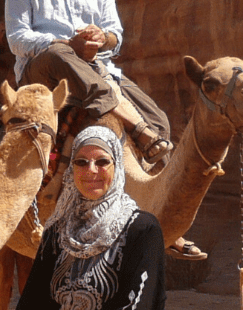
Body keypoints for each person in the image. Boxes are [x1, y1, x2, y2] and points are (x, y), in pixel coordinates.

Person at [2, 0, 172, 161]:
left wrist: (101, 38)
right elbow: (17, 39)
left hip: (96, 67)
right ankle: (135, 126)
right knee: (59, 55)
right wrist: (69, 45)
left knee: (159, 120)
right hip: (43, 71)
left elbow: (116, 36)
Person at [16, 126, 166, 310]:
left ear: (117, 166)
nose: (91, 170)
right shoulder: (57, 231)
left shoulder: (142, 229)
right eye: (81, 162)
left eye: (102, 162)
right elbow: (32, 300)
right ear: (72, 169)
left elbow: (140, 302)